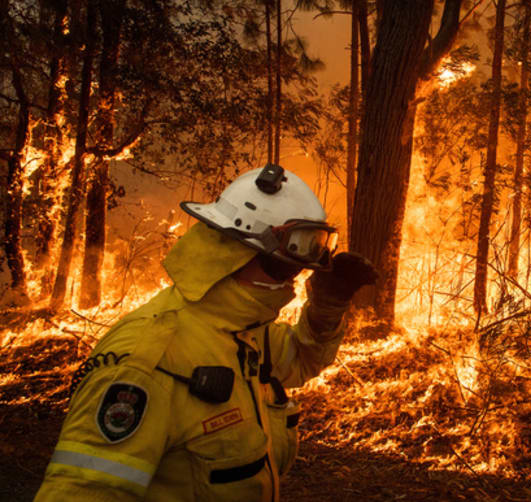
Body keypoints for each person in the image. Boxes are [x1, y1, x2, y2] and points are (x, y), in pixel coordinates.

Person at [35, 164, 377, 501]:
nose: (293, 280)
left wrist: (327, 306)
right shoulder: (147, 359)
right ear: (233, 252)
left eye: (299, 269)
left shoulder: (243, 333)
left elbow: (303, 359)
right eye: (284, 267)